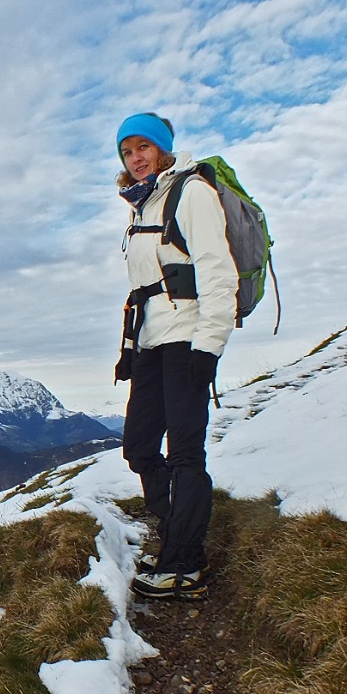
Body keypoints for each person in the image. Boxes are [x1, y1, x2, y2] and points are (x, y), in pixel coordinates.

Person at [112, 112, 238, 600]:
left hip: (187, 341)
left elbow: (217, 273)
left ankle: (186, 561)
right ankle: (179, 530)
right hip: (151, 343)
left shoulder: (192, 193)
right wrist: (130, 348)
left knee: (185, 452)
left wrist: (209, 346)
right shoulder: (143, 204)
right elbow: (143, 289)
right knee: (139, 446)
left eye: (143, 147)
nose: (135, 158)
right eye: (127, 151)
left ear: (163, 148)